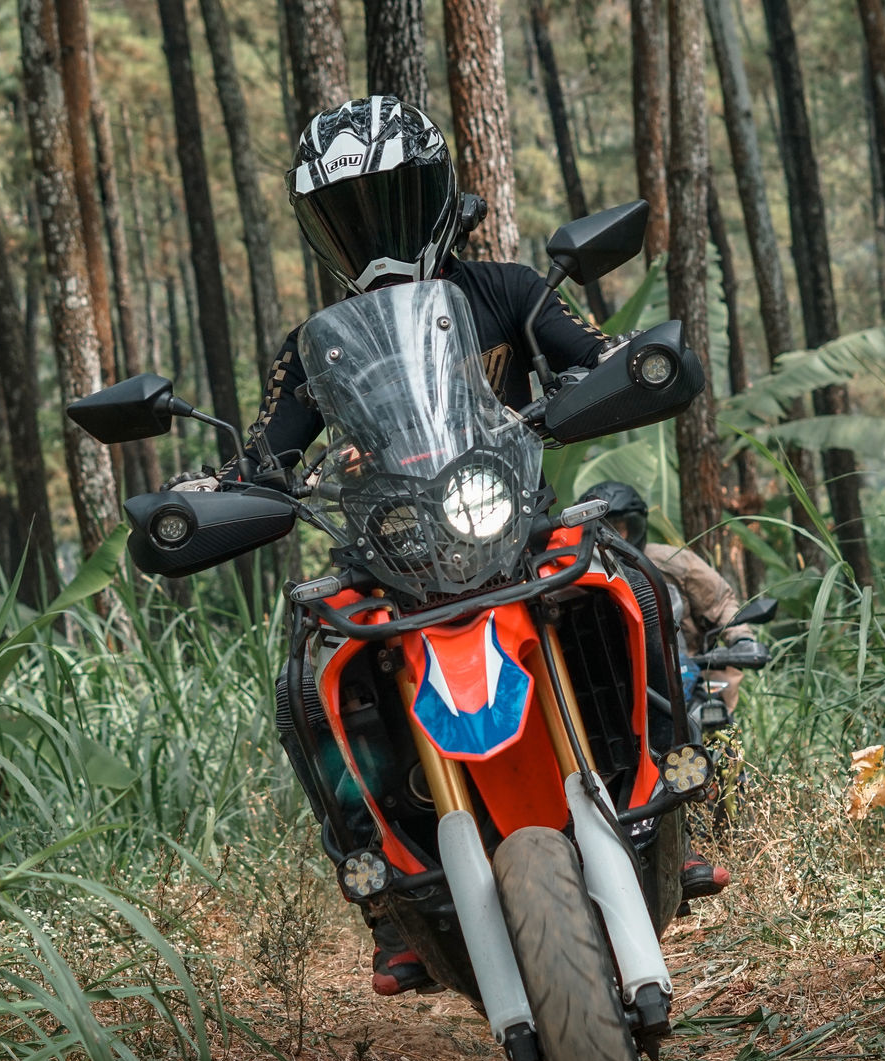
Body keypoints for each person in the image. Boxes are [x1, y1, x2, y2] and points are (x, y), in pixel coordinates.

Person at [173, 96, 637, 994]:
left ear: (435, 196)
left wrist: (608, 373)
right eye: (350, 216)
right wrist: (214, 487)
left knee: (642, 579)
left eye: (391, 203)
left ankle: (686, 783)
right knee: (310, 684)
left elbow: (595, 350)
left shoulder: (507, 289)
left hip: (511, 523)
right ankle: (385, 894)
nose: (374, 234)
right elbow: (268, 454)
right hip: (389, 551)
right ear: (323, 230)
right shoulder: (317, 348)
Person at [578, 480, 769, 902]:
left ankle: (691, 844)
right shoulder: (569, 572)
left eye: (621, 527)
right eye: (602, 526)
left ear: (637, 526)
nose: (611, 537)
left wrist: (740, 637)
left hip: (680, 675)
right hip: (606, 690)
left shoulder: (667, 563)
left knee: (711, 729)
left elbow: (722, 601)